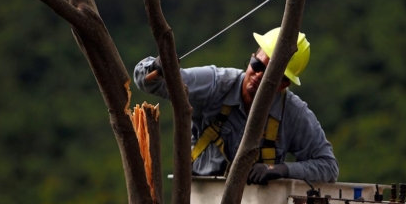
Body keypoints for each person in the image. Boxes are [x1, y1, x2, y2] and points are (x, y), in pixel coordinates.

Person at [133, 27, 338, 185]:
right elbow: (148, 81)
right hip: (202, 203)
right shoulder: (216, 84)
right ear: (251, 59)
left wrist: (281, 169)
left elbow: (328, 167)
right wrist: (159, 67)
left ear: (284, 84)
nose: (258, 75)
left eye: (269, 74)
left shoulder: (293, 113)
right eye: (257, 65)